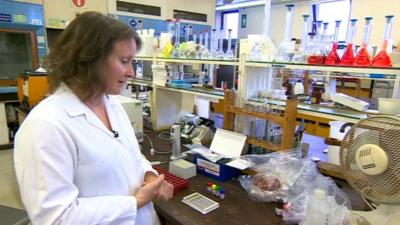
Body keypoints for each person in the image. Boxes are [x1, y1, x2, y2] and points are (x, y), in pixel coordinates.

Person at [14, 11, 173, 225]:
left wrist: (149, 175)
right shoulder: (45, 126)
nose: (131, 72)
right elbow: (55, 218)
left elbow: (132, 157)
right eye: (124, 61)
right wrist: (134, 202)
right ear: (88, 59)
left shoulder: (112, 104)